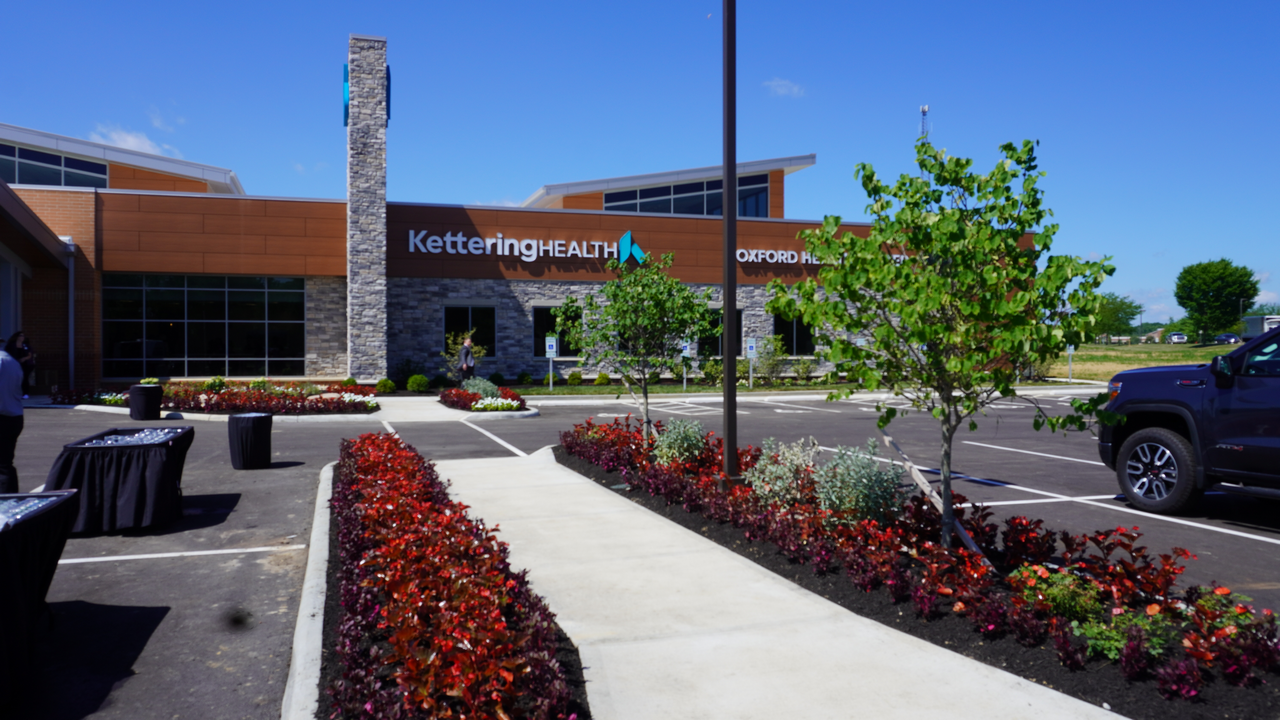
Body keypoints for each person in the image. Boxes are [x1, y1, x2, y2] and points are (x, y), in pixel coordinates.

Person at [0, 340, 24, 494]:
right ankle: (11, 500)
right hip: (14, 416)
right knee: (5, 464)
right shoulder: (11, 361)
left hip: (2, 417)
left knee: (2, 467)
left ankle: (5, 504)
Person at [3, 331, 34, 399]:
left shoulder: (26, 346)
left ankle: (25, 393)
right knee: (14, 378)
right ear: (17, 337)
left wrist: (24, 358)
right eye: (21, 336)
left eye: (23, 336)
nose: (22, 337)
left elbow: (30, 355)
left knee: (24, 378)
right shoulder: (11, 345)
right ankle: (13, 393)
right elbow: (7, 354)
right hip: (14, 364)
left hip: (26, 365)